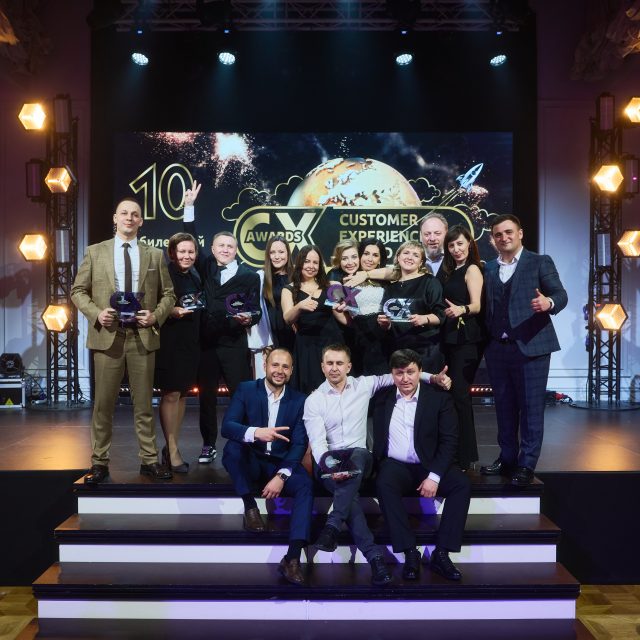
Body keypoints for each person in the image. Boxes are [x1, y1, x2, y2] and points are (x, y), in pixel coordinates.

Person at [303, 344, 451, 586]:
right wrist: (331, 468)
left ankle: (332, 525)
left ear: (349, 366)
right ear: (322, 366)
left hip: (360, 459)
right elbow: (318, 443)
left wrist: (432, 378)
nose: (334, 368)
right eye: (329, 363)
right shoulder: (314, 400)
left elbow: (399, 373)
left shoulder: (363, 385)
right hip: (330, 461)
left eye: (339, 363)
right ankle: (375, 559)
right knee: (348, 498)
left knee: (359, 455)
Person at [71, 196, 175, 484]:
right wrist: (97, 313)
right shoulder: (95, 252)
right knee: (103, 405)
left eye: (135, 214)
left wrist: (155, 316)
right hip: (108, 337)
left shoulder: (154, 255)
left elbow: (169, 294)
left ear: (141, 221)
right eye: (124, 213)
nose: (129, 217)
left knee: (144, 405)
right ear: (115, 219)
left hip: (142, 337)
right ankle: (99, 463)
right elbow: (78, 291)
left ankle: (149, 460)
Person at [480, 214, 568, 486]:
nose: (504, 237)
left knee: (530, 408)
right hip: (498, 348)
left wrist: (549, 303)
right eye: (498, 234)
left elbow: (561, 294)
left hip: (532, 347)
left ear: (520, 233)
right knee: (504, 407)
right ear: (493, 239)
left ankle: (527, 463)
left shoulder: (539, 261)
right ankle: (507, 458)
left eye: (509, 232)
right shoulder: (488, 268)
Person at [372, 349, 471, 581]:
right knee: (384, 483)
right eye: (399, 373)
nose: (405, 378)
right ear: (392, 374)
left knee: (461, 485)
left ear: (420, 372)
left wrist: (434, 476)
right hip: (396, 465)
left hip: (430, 463)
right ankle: (410, 552)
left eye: (410, 372)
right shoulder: (381, 399)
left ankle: (442, 553)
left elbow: (450, 441)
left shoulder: (439, 398)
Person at [183, 183, 261, 464]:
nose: (225, 249)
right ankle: (208, 445)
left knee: (241, 397)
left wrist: (249, 318)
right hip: (206, 346)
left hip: (234, 345)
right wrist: (188, 208)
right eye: (221, 246)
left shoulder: (250, 276)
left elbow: (256, 311)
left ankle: (244, 444)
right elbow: (190, 238)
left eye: (230, 246)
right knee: (206, 398)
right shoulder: (206, 267)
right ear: (212, 249)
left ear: (236, 250)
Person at [221, 348, 313, 585]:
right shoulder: (246, 389)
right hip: (252, 460)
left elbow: (299, 443)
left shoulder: (300, 400)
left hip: (280, 463)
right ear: (265, 366)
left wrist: (282, 476)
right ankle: (250, 506)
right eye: (275, 365)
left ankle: (292, 558)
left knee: (305, 485)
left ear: (291, 371)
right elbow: (228, 426)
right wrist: (255, 433)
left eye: (285, 367)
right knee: (232, 449)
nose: (279, 371)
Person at [154, 231, 203, 473]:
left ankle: (171, 445)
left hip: (191, 343)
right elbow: (153, 305)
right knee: (171, 394)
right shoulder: (164, 274)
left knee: (182, 394)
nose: (187, 256)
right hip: (169, 341)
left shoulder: (195, 274)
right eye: (182, 251)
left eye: (191, 251)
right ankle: (172, 450)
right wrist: (171, 311)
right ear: (172, 253)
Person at [440, 225, 485, 471]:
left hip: (465, 339)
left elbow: (477, 305)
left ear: (469, 243)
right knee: (450, 396)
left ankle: (465, 456)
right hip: (448, 338)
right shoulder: (449, 271)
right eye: (451, 245)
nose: (456, 249)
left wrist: (462, 309)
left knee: (460, 395)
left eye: (460, 243)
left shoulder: (472, 269)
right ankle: (453, 451)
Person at [281, 245, 345, 394]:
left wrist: (345, 308)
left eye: (315, 262)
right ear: (299, 263)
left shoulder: (333, 286)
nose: (311, 266)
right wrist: (299, 306)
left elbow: (345, 316)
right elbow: (287, 319)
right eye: (307, 261)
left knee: (335, 388)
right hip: (306, 347)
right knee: (309, 390)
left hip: (332, 343)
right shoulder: (289, 289)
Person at [378, 241, 446, 373]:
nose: (410, 257)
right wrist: (386, 325)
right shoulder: (390, 287)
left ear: (421, 262)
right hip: (398, 352)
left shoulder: (430, 282)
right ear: (398, 257)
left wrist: (424, 319)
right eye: (406, 253)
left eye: (415, 255)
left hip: (425, 350)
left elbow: (441, 315)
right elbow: (388, 321)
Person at [248, 236, 295, 378]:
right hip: (271, 338)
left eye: (281, 252)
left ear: (288, 253)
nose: (277, 256)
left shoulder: (297, 276)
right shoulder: (261, 277)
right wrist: (264, 343)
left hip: (294, 336)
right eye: (273, 252)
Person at [348, 238, 389, 375]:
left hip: (381, 334)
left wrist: (366, 275)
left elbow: (397, 272)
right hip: (357, 334)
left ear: (380, 260)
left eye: (375, 255)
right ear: (359, 255)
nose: (370, 259)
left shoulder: (387, 279)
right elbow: (339, 309)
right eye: (366, 254)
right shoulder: (348, 278)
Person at [419, 212, 448, 279]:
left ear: (446, 235)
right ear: (420, 236)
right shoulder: (411, 261)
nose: (432, 238)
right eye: (427, 234)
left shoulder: (456, 260)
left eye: (437, 233)